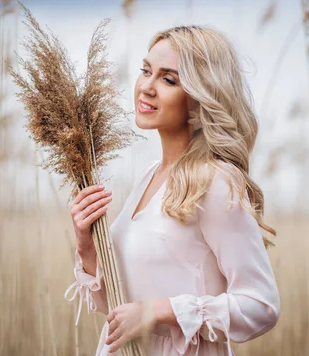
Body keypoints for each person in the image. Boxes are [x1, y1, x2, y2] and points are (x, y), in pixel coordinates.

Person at [65, 25, 280, 355]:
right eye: (146, 71)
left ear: (200, 96)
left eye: (168, 79)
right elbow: (117, 307)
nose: (146, 87)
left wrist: (161, 311)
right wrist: (85, 245)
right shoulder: (151, 175)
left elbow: (261, 306)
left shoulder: (214, 181)